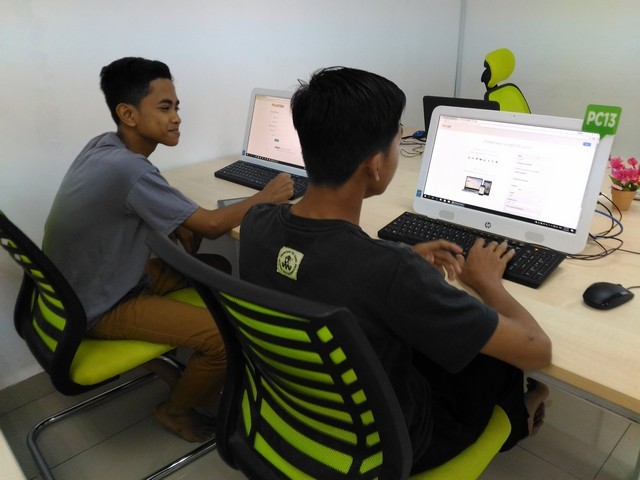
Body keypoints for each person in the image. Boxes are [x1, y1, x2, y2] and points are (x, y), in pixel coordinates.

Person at [238, 66, 551, 472]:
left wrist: (393, 260)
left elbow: (323, 267)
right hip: (391, 446)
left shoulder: (256, 222)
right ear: (375, 165)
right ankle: (517, 418)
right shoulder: (390, 270)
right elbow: (537, 348)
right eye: (397, 138)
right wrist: (488, 281)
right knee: (494, 359)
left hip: (293, 412)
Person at [43, 57, 293, 443]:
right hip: (99, 304)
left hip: (78, 287)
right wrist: (267, 196)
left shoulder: (104, 147)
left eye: (176, 107)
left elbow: (141, 203)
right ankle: (176, 410)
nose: (176, 118)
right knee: (224, 339)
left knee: (214, 266)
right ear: (127, 114)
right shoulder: (130, 170)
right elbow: (212, 224)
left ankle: (186, 366)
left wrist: (178, 220)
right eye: (164, 108)